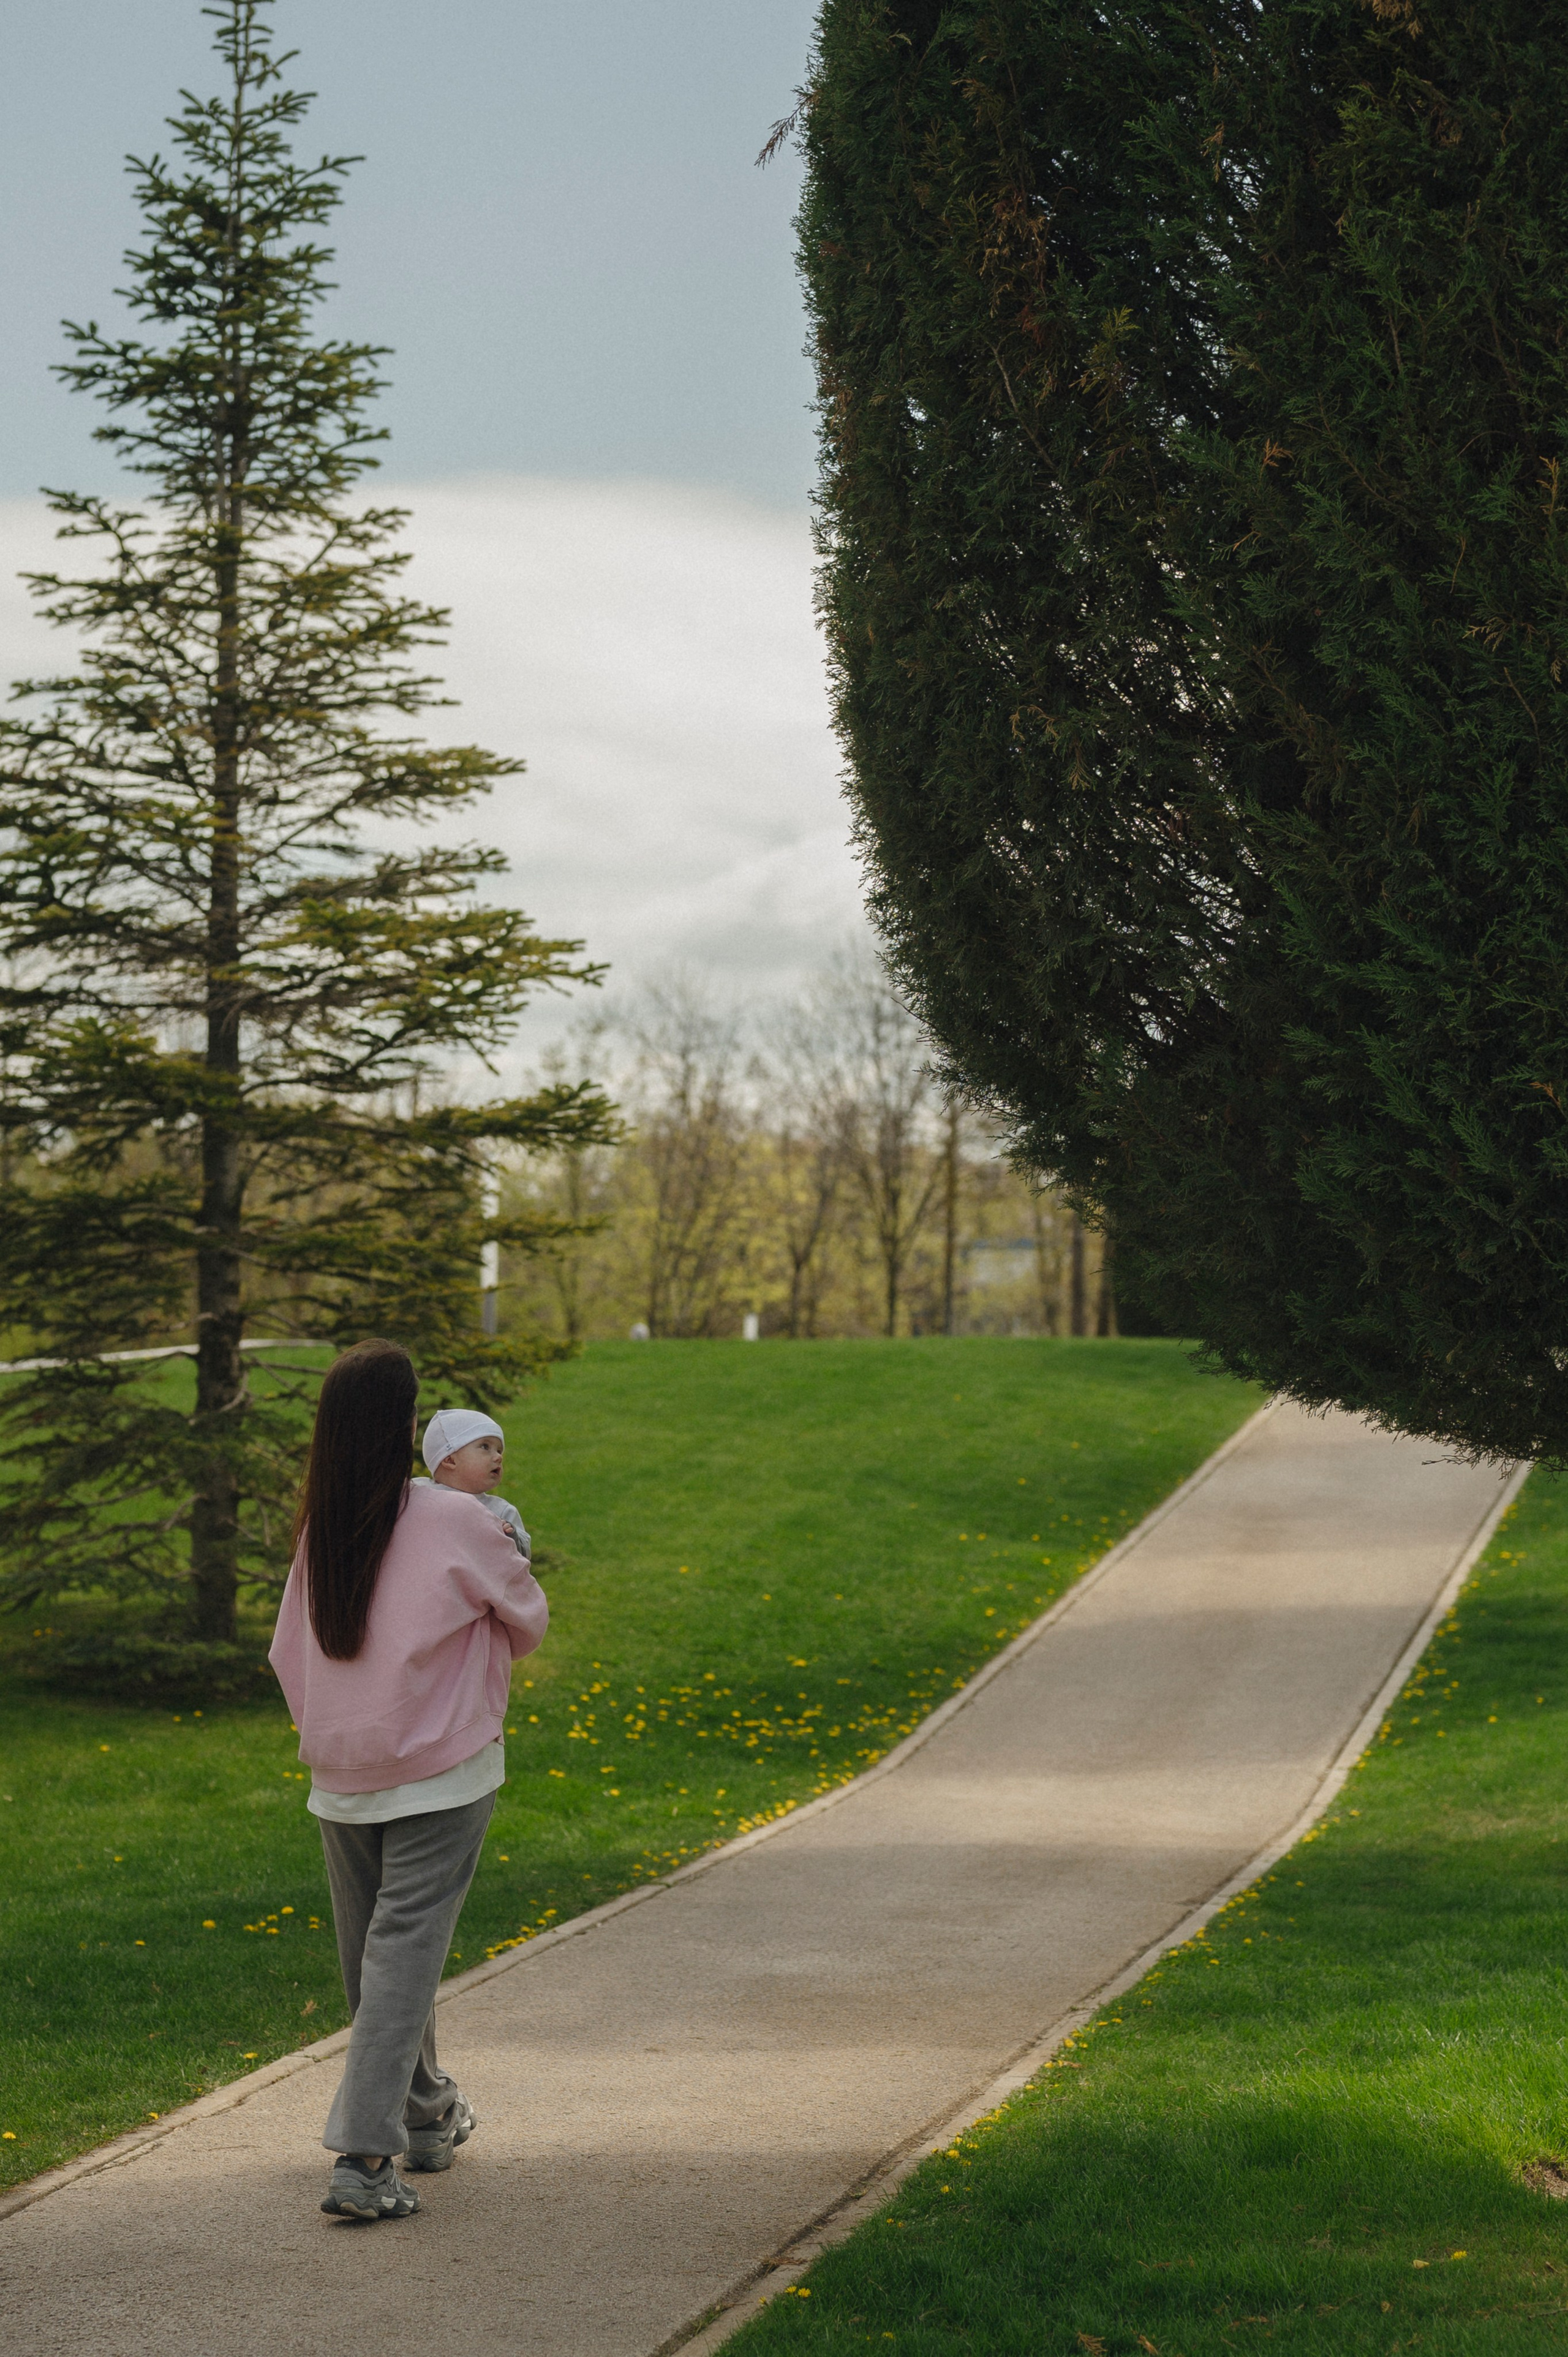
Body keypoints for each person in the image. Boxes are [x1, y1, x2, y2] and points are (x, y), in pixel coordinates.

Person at [268, 1339, 548, 2222]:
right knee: (400, 1957)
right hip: (443, 1766)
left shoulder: (323, 1526)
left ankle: (426, 2116)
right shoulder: (458, 1518)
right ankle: (362, 2155)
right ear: (404, 1424)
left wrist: (339, 1727)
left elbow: (286, 1652)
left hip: (342, 1770)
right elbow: (527, 1615)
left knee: (375, 1958)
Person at [420, 1405, 530, 1557]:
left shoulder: (501, 1511)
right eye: (485, 1447)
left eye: (499, 1450)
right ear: (450, 1460)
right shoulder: (417, 1494)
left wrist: (512, 1538)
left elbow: (523, 1557)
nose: (499, 1457)